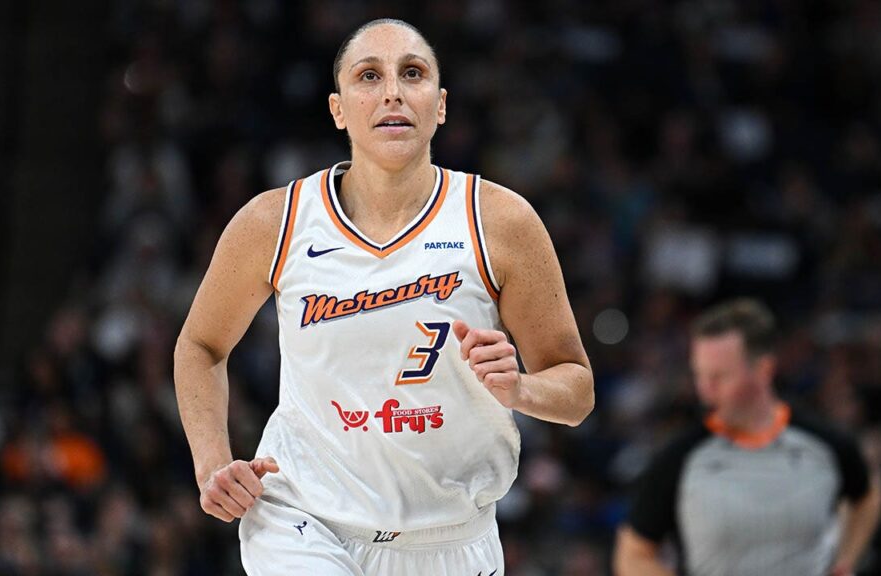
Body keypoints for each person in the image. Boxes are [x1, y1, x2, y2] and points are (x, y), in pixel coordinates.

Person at [173, 18, 594, 576]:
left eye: (412, 73)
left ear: (440, 105)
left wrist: (521, 388)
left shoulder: (500, 221)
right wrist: (211, 464)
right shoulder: (276, 222)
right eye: (368, 76)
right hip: (304, 521)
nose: (392, 91)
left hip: (453, 538)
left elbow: (577, 388)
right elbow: (201, 345)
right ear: (338, 109)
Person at [614, 299, 881, 576]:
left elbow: (868, 491)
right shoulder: (680, 458)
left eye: (720, 376)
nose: (705, 390)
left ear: (763, 369)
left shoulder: (824, 443)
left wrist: (845, 561)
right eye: (700, 375)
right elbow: (633, 554)